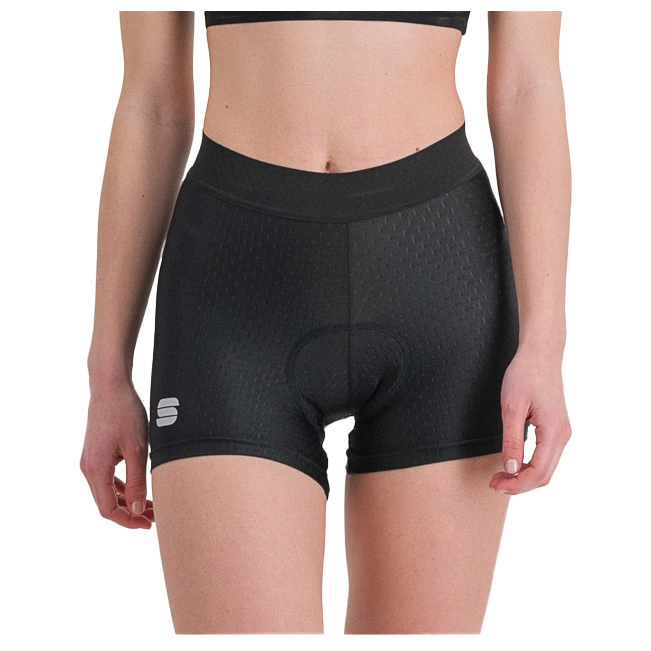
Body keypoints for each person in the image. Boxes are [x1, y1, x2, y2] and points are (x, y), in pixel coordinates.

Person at [80, 11, 572, 634]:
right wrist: (107, 372)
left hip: (438, 276)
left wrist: (545, 343)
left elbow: (529, 86)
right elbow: (152, 104)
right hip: (235, 292)